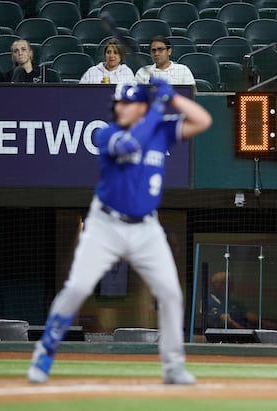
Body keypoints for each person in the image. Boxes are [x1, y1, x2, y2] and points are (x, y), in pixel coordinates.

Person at [27, 78, 212, 385]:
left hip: (147, 229)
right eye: (118, 103)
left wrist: (173, 98)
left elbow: (203, 120)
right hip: (105, 226)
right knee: (77, 288)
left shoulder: (160, 130)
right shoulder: (108, 133)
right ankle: (44, 353)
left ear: (140, 107)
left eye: (127, 103)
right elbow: (131, 145)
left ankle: (173, 366)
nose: (120, 108)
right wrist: (157, 108)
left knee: (170, 293)